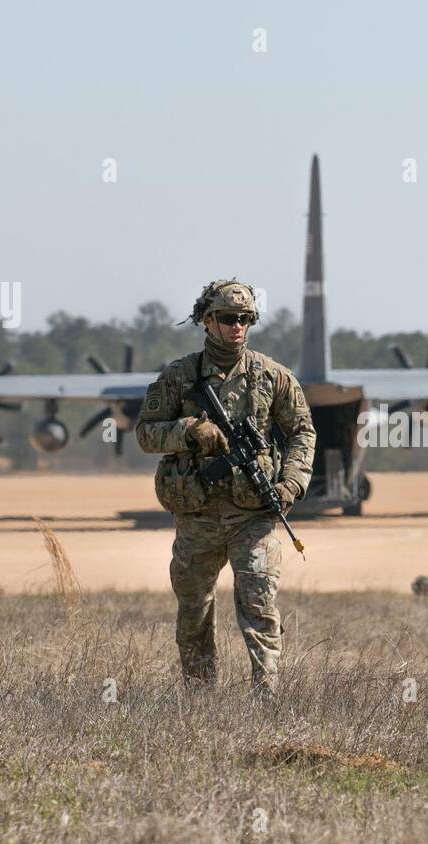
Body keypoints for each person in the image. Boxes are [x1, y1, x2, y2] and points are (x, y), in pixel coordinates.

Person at [135, 278, 315, 699]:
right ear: (207, 321)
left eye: (245, 319)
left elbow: (303, 433)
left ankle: (266, 697)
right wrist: (190, 430)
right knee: (195, 611)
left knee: (259, 604)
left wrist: (292, 482)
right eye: (228, 319)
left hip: (253, 514)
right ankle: (200, 700)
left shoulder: (272, 376)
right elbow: (145, 434)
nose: (237, 327)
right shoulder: (179, 377)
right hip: (197, 513)